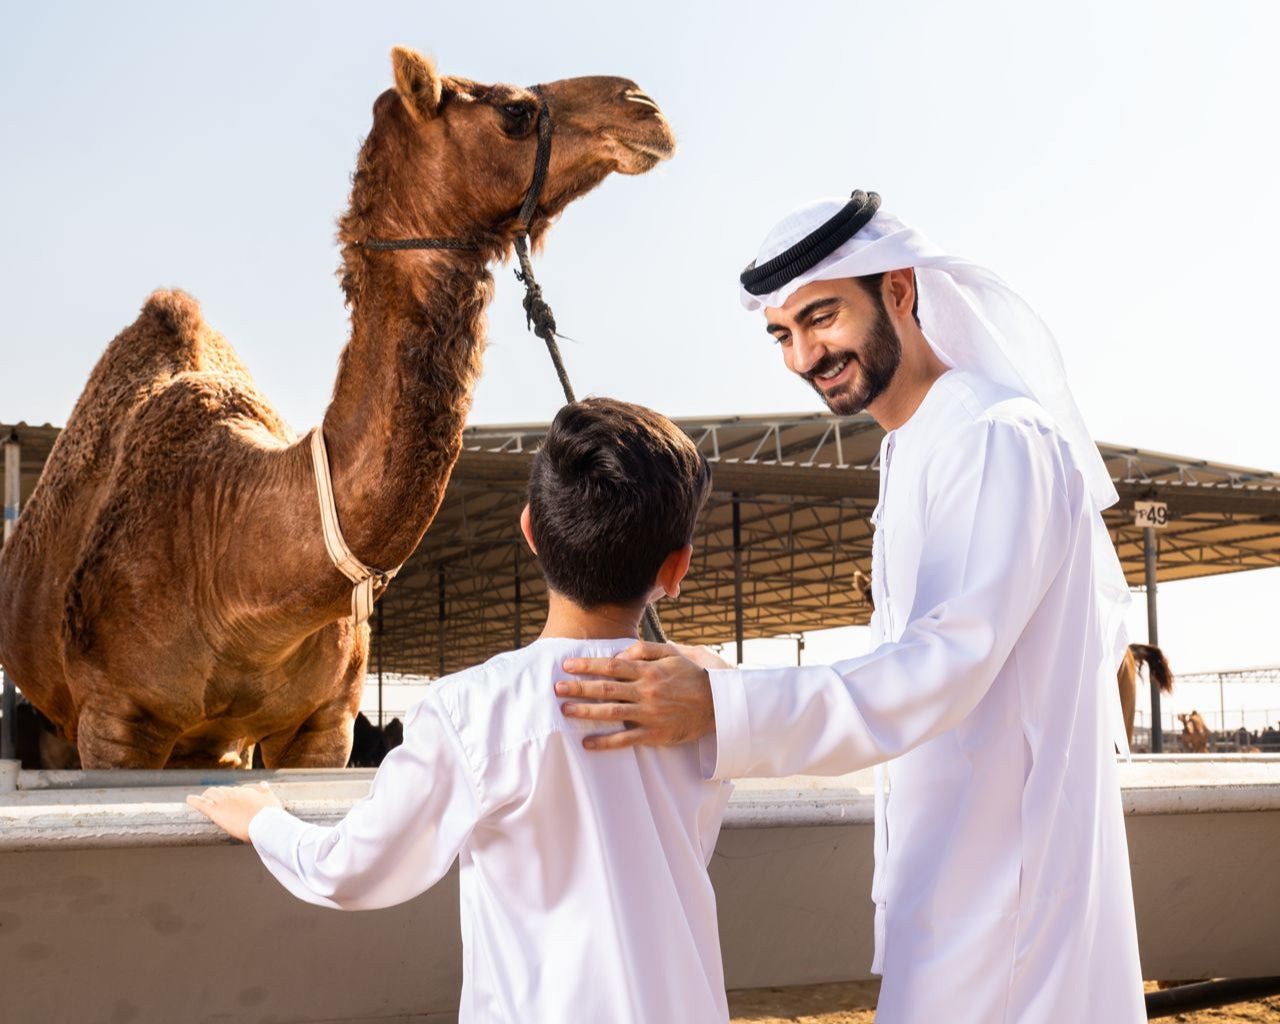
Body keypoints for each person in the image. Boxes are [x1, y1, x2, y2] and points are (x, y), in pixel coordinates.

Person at [555, 192, 1147, 1023]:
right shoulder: (915, 448)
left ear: (899, 290)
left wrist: (724, 705)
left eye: (821, 318)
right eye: (782, 335)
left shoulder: (995, 438)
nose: (803, 355)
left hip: (1009, 910)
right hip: (949, 897)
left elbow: (943, 666)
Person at [187, 397, 731, 1023]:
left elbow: (351, 869)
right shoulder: (714, 695)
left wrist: (262, 819)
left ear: (529, 529)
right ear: (678, 568)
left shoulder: (474, 710)